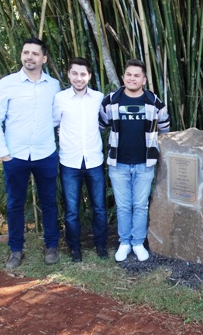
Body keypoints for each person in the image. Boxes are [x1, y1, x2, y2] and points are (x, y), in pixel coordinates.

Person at [0, 38, 61, 269]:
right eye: (26, 52)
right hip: (15, 155)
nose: (29, 57)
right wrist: (4, 153)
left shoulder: (54, 85)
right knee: (15, 204)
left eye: (35, 54)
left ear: (44, 59)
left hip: (46, 153)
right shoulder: (7, 84)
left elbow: (57, 118)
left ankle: (51, 246)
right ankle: (16, 250)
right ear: (21, 56)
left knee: (49, 202)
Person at [99, 59, 170, 262]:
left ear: (144, 79)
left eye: (137, 75)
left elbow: (164, 127)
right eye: (129, 74)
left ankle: (137, 242)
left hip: (144, 163)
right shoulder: (111, 100)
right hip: (118, 163)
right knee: (123, 206)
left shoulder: (153, 101)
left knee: (140, 205)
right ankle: (124, 242)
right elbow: (101, 125)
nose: (132, 78)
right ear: (124, 77)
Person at [53, 57, 108, 263]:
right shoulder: (60, 98)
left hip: (94, 159)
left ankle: (101, 245)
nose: (79, 78)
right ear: (68, 74)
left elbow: (103, 122)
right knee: (72, 210)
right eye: (74, 73)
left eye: (83, 74)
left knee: (99, 207)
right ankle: (75, 248)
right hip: (69, 161)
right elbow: (54, 122)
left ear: (90, 76)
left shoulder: (99, 98)